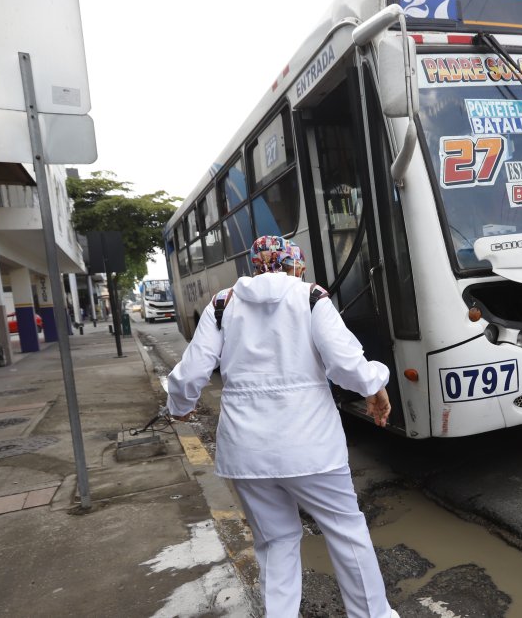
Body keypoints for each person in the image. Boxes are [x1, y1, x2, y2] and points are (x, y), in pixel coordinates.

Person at [166, 235, 396, 618]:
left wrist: (179, 406)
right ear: (296, 263)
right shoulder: (311, 297)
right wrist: (376, 382)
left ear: (255, 267)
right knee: (346, 534)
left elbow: (191, 372)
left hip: (246, 451)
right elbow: (346, 367)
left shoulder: (223, 303)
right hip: (312, 446)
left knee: (275, 544)